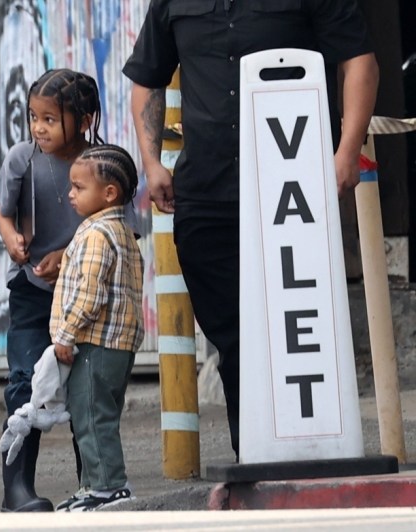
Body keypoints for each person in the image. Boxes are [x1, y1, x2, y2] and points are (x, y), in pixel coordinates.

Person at [122, 1, 379, 457]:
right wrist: (152, 162)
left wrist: (346, 151)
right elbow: (147, 79)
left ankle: (313, 449)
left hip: (293, 187)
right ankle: (255, 455)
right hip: (206, 191)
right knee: (234, 338)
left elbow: (358, 60)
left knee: (298, 323)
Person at [0, 68, 106, 512]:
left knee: (87, 388)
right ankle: (16, 490)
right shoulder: (22, 158)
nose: (40, 128)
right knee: (23, 383)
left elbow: (119, 228)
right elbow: (3, 212)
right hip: (32, 292)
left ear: (84, 118)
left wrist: (68, 255)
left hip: (87, 298)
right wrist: (11, 239)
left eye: (51, 119)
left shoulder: (103, 162)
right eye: (34, 117)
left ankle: (94, 484)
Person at [50, 144, 144, 512]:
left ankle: (108, 486)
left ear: (109, 193)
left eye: (78, 187)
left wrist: (66, 334)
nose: (70, 194)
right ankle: (94, 484)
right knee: (101, 413)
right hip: (118, 345)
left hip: (94, 342)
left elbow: (90, 294)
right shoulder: (123, 231)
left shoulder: (95, 236)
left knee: (90, 414)